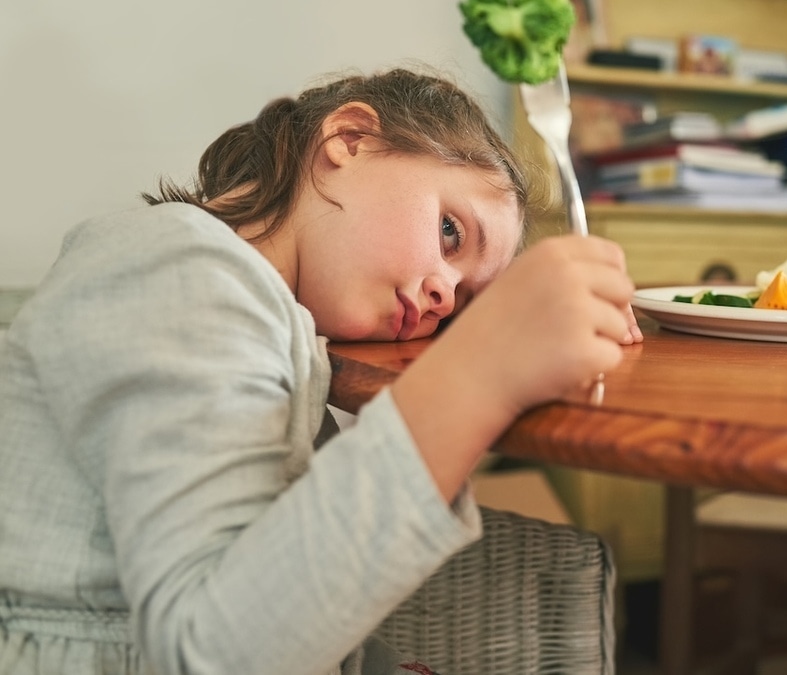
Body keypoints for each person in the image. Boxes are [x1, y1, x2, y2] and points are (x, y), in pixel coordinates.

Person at [0, 64, 642, 674]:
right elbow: (213, 651)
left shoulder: (275, 318)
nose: (444, 296)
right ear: (350, 138)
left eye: (464, 304)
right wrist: (479, 376)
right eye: (450, 232)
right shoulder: (178, 268)